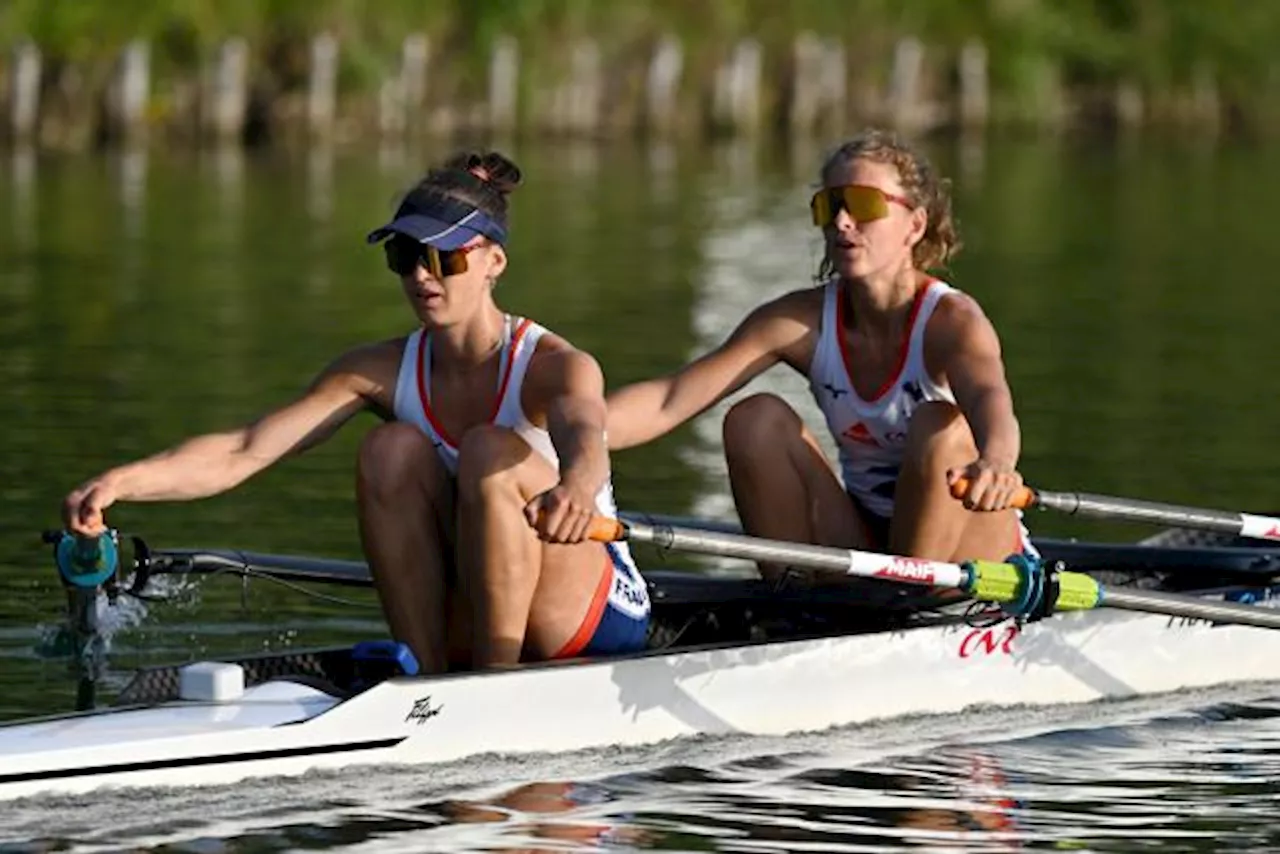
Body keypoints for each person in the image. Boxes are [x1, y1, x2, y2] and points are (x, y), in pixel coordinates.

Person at [61, 150, 650, 672]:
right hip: (479, 595)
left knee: (489, 449)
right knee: (387, 451)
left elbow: (587, 443)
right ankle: (427, 678)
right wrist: (121, 482)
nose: (422, 275)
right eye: (406, 255)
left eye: (446, 258)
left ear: (495, 260)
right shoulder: (375, 371)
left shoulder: (555, 366)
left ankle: (490, 691)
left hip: (594, 611)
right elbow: (246, 449)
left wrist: (575, 488)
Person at [606, 129, 1029, 584]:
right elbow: (671, 399)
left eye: (864, 205)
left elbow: (990, 398)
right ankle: (795, 606)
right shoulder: (800, 320)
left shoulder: (951, 321)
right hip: (865, 537)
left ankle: (905, 608)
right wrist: (562, 436)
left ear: (915, 225)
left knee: (940, 423)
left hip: (970, 547)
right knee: (754, 418)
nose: (843, 222)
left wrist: (998, 462)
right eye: (829, 206)